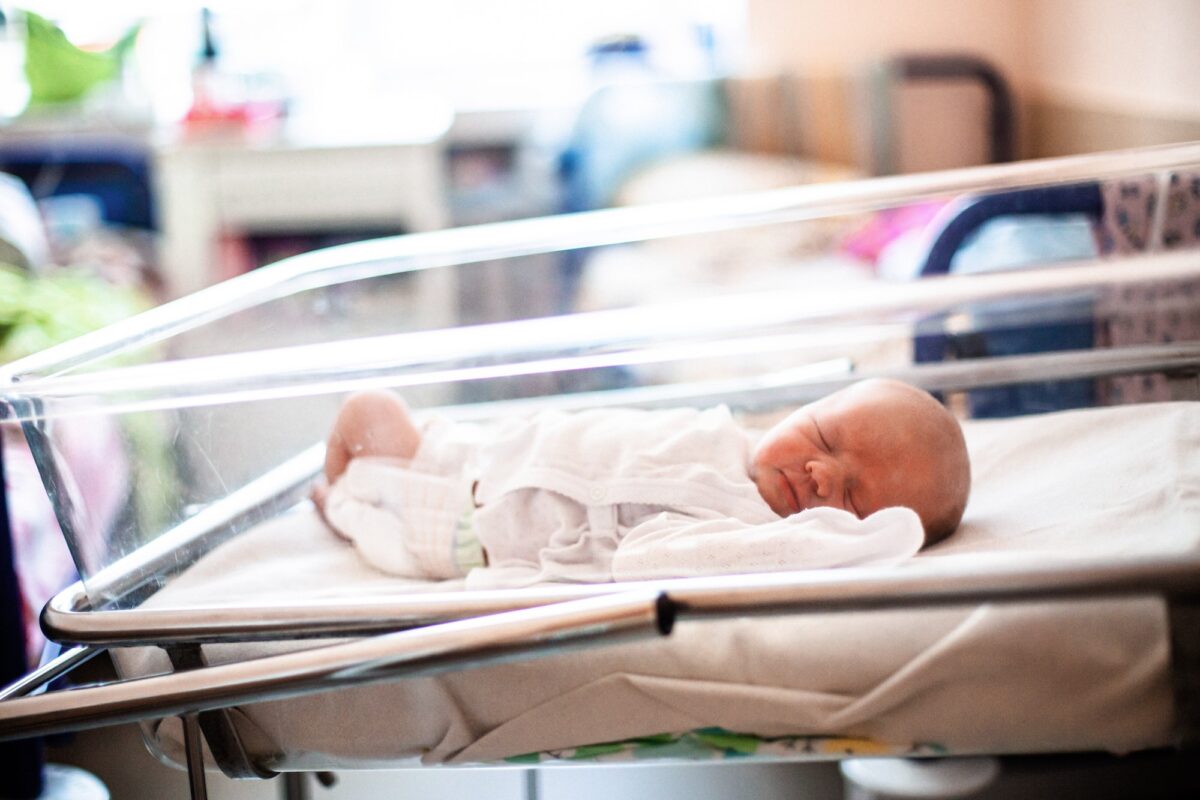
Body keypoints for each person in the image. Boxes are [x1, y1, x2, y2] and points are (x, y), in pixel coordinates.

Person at [312, 379, 970, 587]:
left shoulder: (752, 532)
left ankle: (339, 505)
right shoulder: (730, 437)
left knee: (366, 426)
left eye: (854, 496)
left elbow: (645, 556)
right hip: (490, 455)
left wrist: (877, 533)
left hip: (469, 523)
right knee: (372, 410)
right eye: (822, 437)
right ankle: (344, 494)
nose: (822, 473)